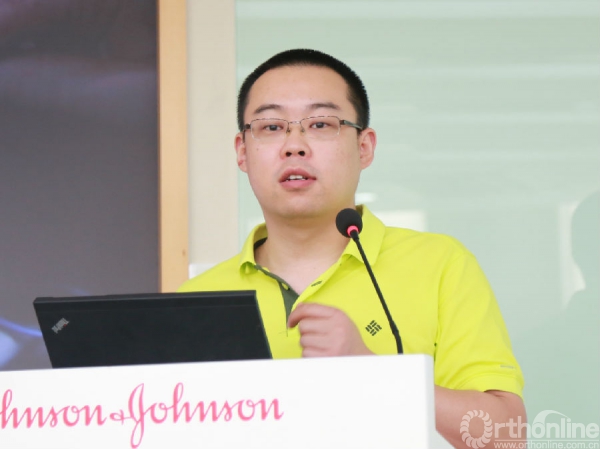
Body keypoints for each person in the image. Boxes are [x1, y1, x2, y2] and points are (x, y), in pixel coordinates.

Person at [179, 49, 526, 447]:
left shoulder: (441, 264)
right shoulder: (195, 300)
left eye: (320, 124)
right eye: (271, 127)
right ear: (242, 151)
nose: (294, 146)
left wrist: (372, 370)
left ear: (365, 147)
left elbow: (506, 437)